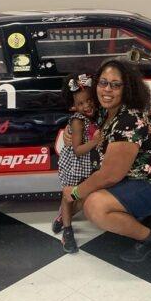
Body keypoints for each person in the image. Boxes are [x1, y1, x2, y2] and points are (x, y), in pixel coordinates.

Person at [62, 59, 151, 262]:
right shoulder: (105, 112)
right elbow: (81, 120)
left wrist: (75, 192)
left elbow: (109, 175)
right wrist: (68, 131)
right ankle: (131, 212)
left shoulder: (129, 121)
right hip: (130, 177)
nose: (107, 89)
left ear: (128, 89)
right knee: (88, 191)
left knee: (94, 206)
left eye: (116, 85)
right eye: (103, 83)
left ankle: (150, 239)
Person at [54, 73, 102, 253]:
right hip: (75, 165)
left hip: (90, 165)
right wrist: (94, 142)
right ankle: (67, 230)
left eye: (89, 100)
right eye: (81, 104)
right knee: (68, 195)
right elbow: (77, 150)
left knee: (84, 195)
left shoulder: (97, 115)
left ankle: (62, 217)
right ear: (74, 106)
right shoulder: (77, 121)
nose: (87, 105)